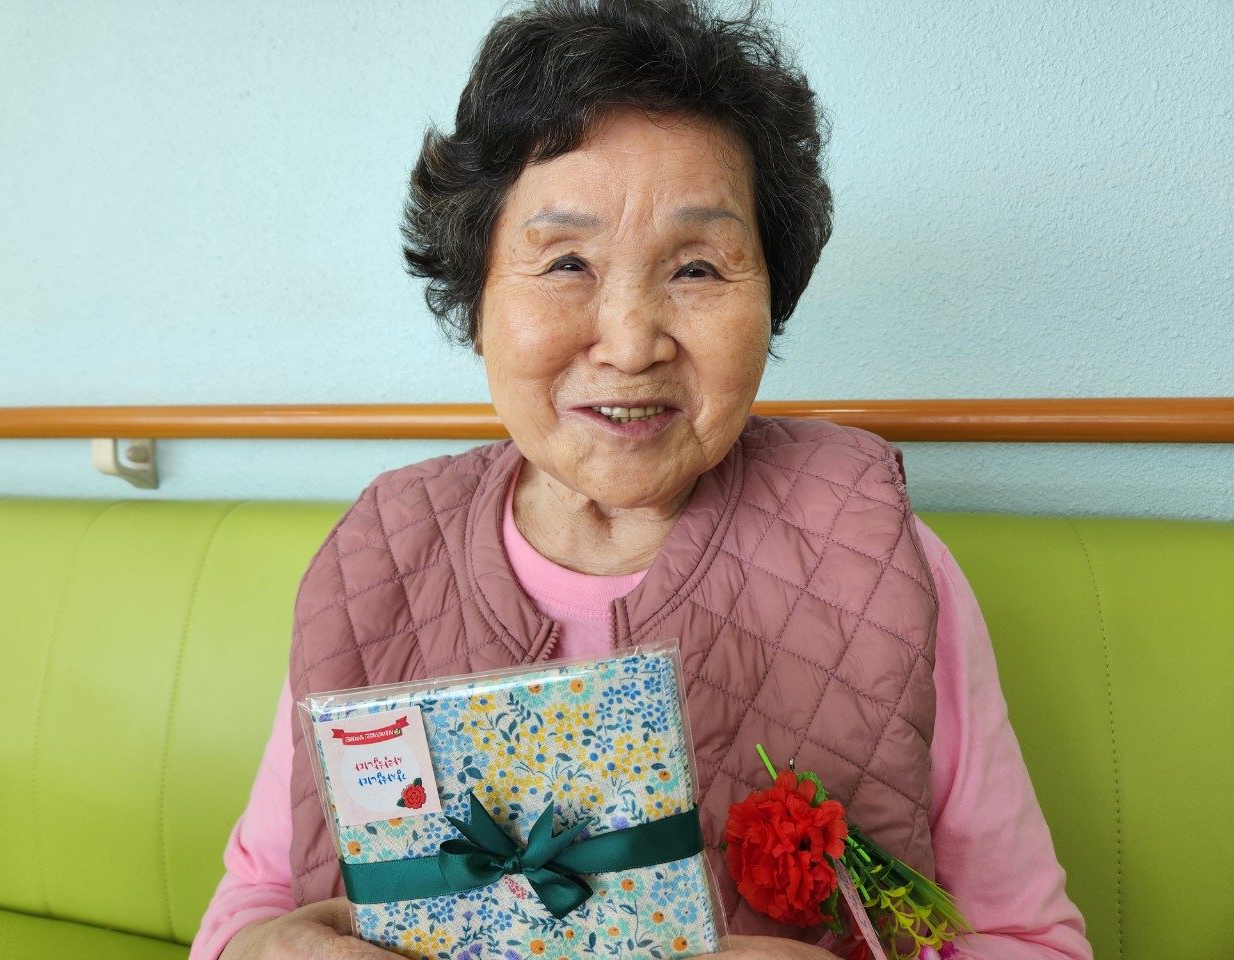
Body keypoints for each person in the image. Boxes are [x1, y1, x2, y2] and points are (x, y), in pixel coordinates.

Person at [193, 2, 1092, 958]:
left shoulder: (879, 559)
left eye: (697, 268)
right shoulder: (375, 559)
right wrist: (265, 948)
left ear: (771, 295)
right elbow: (251, 905)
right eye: (565, 261)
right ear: (475, 294)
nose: (629, 344)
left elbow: (1034, 940)